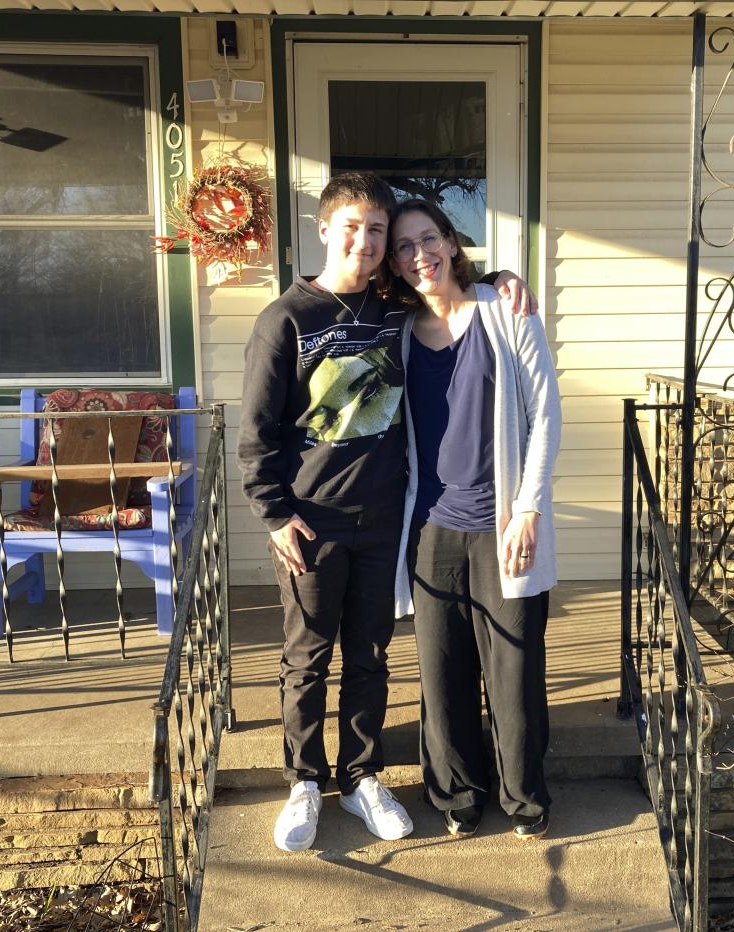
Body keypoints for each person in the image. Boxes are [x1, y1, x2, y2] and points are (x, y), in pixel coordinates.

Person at [238, 172, 535, 853]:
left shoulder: (391, 308)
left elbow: (450, 284)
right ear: (323, 231)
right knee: (307, 655)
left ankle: (363, 775)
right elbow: (256, 433)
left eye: (377, 231)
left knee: (370, 655)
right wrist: (275, 514)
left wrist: (506, 276)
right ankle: (305, 783)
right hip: (310, 521)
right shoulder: (286, 319)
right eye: (353, 228)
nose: (367, 242)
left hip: (382, 519)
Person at [388, 199, 561, 841]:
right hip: (430, 527)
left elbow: (545, 413)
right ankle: (458, 794)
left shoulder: (504, 311)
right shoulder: (399, 332)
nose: (418, 255)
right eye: (403, 246)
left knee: (513, 672)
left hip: (503, 523)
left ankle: (524, 799)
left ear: (451, 242)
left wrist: (530, 508)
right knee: (442, 668)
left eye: (427, 239)